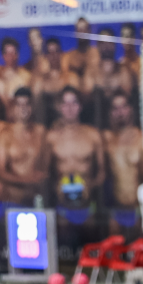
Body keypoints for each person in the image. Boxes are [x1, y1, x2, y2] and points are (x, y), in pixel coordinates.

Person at [46, 87, 105, 226]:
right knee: (64, 238)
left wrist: (91, 185)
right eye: (65, 104)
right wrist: (55, 188)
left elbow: (102, 171)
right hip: (62, 205)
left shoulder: (93, 135)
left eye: (74, 103)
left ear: (80, 106)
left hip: (87, 203)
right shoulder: (52, 137)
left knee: (90, 237)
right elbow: (46, 172)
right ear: (60, 107)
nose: (70, 108)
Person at [0, 88, 47, 206]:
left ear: (32, 107)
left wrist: (41, 178)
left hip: (36, 197)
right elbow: (2, 172)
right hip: (12, 198)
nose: (23, 108)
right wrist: (27, 180)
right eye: (19, 104)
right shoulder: (5, 134)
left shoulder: (41, 132)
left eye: (26, 104)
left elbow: (46, 167)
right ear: (13, 108)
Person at [103, 90, 143, 213]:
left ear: (130, 109)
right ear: (110, 112)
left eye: (123, 107)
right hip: (114, 208)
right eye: (115, 108)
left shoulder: (141, 139)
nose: (120, 112)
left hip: (138, 207)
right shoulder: (106, 139)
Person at [0, 38, 32, 108]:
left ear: (18, 55)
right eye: (8, 53)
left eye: (13, 53)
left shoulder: (27, 76)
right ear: (3, 56)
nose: (11, 57)